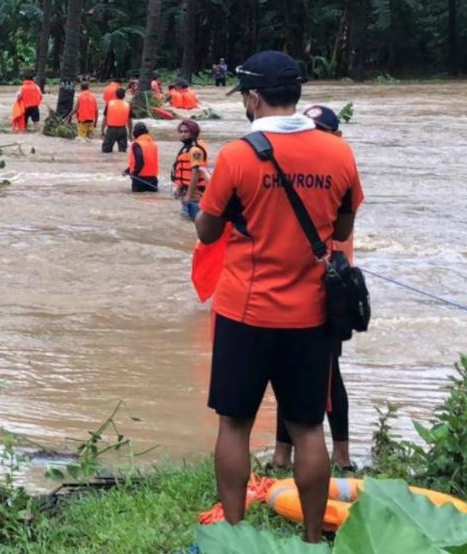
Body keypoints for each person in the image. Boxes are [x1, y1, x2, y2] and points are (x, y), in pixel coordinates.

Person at [195, 50, 364, 544]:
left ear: (252, 97)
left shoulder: (236, 157)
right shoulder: (338, 153)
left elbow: (207, 232)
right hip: (311, 313)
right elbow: (343, 226)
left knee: (235, 424)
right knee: (309, 427)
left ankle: (234, 534)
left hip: (244, 312)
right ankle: (313, 538)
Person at [272, 104, 352, 472]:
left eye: (320, 130)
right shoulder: (308, 163)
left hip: (329, 283)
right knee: (284, 370)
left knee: (328, 372)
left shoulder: (339, 164)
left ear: (335, 135)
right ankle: (280, 453)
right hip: (292, 281)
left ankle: (342, 454)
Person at [171, 119, 209, 220]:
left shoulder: (195, 150)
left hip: (195, 196)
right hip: (186, 193)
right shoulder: (185, 149)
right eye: (181, 132)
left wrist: (188, 195)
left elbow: (196, 173)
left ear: (193, 133)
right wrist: (179, 188)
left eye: (186, 132)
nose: (183, 134)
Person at [122, 122, 159, 192]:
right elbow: (146, 160)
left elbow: (140, 161)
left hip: (140, 180)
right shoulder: (153, 144)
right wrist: (127, 171)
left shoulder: (137, 144)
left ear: (135, 133)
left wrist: (134, 174)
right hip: (153, 180)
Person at [101, 87, 132, 153]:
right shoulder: (127, 105)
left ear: (115, 94)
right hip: (123, 130)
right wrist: (130, 133)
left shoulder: (109, 104)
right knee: (122, 151)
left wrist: (102, 130)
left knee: (105, 151)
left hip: (111, 130)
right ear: (124, 96)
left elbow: (105, 119)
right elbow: (130, 121)